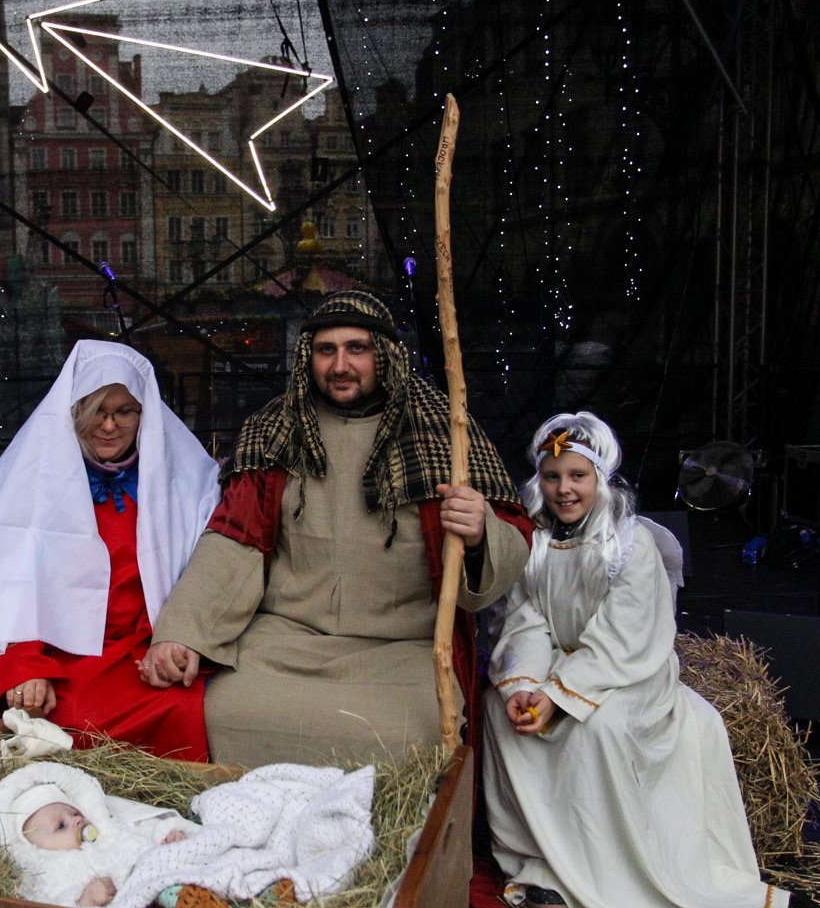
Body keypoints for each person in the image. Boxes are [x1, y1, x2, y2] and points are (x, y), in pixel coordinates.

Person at [143, 290, 532, 767]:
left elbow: (511, 539)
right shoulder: (275, 431)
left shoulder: (442, 433)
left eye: (356, 349)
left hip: (402, 648)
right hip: (285, 642)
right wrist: (182, 632)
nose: (340, 365)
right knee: (225, 709)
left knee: (411, 730)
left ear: (383, 355)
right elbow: (234, 542)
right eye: (326, 350)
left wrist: (478, 531)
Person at [480, 411, 784, 908]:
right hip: (558, 666)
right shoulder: (534, 543)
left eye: (577, 476)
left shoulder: (631, 545)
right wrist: (526, 685)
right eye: (553, 477)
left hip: (628, 673)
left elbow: (624, 637)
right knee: (496, 711)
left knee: (598, 727)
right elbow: (526, 620)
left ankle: (605, 868)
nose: (564, 489)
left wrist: (558, 696)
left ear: (599, 478)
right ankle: (544, 861)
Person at [0, 340, 222, 762]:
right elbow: (4, 592)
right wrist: (26, 667)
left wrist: (174, 642)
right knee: (63, 721)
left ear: (145, 415)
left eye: (124, 411)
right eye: (96, 411)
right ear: (73, 411)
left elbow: (199, 577)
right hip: (58, 657)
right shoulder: (31, 484)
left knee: (190, 705)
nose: (109, 426)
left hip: (142, 650)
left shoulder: (181, 485)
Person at [0, 760, 194, 908]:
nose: (76, 820)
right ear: (34, 847)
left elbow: (141, 829)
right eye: (61, 826)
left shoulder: (108, 831)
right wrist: (85, 901)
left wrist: (167, 837)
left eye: (74, 813)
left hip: (165, 882)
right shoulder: (45, 873)